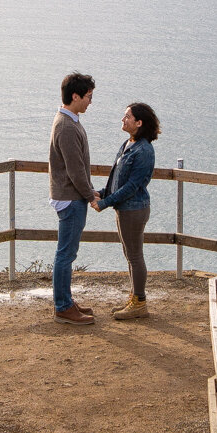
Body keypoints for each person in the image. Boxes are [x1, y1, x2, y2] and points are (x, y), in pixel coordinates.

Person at [94, 101, 160, 320]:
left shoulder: (144, 151)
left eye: (127, 116)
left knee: (134, 256)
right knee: (129, 255)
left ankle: (139, 303)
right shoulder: (128, 144)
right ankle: (135, 298)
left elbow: (132, 186)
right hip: (124, 208)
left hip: (134, 209)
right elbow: (117, 179)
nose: (123, 119)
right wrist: (103, 193)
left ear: (139, 123)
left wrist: (104, 203)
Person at [47, 72, 96, 325]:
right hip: (71, 197)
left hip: (72, 194)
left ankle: (65, 300)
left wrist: (89, 191)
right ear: (75, 96)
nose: (90, 101)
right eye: (88, 96)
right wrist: (91, 196)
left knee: (67, 252)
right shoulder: (66, 126)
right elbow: (75, 169)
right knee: (66, 253)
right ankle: (63, 306)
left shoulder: (70, 121)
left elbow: (77, 168)